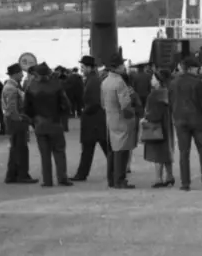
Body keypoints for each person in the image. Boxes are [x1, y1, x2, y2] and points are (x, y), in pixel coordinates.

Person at [24, 62, 74, 187]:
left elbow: (26, 108)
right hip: (55, 122)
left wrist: (33, 120)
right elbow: (66, 105)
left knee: (44, 154)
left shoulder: (31, 87)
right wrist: (62, 117)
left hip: (39, 124)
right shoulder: (56, 86)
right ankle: (62, 178)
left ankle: (47, 180)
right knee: (59, 151)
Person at [169, 57, 202, 191]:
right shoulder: (198, 83)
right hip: (197, 121)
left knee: (184, 153)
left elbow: (171, 103)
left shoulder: (173, 83)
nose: (198, 70)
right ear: (190, 68)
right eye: (197, 68)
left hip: (180, 121)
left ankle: (185, 183)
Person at [71, 56, 114, 184]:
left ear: (90, 67)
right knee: (92, 149)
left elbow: (95, 101)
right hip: (95, 121)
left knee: (101, 148)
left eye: (83, 67)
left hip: (94, 121)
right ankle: (82, 173)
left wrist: (85, 111)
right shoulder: (92, 79)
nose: (81, 69)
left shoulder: (93, 81)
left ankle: (116, 171)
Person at [100, 54, 138, 189]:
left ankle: (111, 179)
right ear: (117, 67)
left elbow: (102, 103)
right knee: (122, 151)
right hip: (122, 120)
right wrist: (133, 116)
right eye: (122, 65)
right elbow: (125, 105)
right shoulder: (120, 82)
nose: (124, 67)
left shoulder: (105, 81)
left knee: (112, 150)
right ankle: (120, 180)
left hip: (110, 119)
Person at [1, 63, 36, 184]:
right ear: (15, 74)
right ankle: (22, 174)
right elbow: (12, 107)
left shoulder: (11, 86)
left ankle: (12, 175)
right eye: (20, 73)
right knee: (21, 148)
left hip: (13, 120)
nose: (22, 75)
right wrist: (20, 119)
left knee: (15, 148)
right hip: (16, 122)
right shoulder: (12, 88)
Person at [142, 68, 176, 188]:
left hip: (156, 127)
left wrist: (145, 117)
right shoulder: (167, 92)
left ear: (157, 80)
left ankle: (158, 178)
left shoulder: (154, 95)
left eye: (153, 78)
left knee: (157, 153)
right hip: (167, 125)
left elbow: (153, 114)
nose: (151, 80)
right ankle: (170, 176)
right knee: (166, 152)